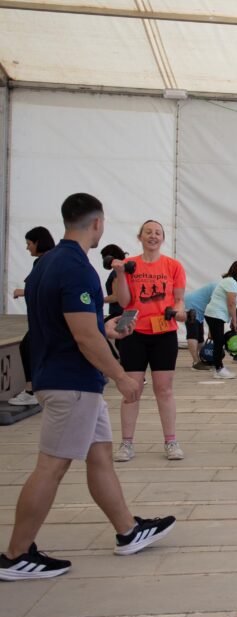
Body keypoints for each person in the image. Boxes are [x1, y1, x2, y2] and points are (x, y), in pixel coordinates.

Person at [0, 193, 175, 581]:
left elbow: (72, 324)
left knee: (100, 456)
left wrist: (106, 328)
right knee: (51, 466)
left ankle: (128, 530)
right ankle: (16, 555)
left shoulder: (46, 264)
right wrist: (121, 376)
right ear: (97, 223)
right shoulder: (77, 267)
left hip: (68, 378)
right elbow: (84, 336)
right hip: (72, 383)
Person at [111, 220, 186, 462]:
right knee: (131, 390)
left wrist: (179, 312)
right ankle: (126, 443)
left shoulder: (173, 266)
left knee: (164, 389)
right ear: (140, 236)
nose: (153, 236)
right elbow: (124, 302)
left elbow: (179, 300)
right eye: (148, 232)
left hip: (164, 334)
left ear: (162, 238)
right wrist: (120, 273)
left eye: (157, 233)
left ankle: (171, 442)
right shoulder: (128, 265)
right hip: (134, 334)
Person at [9, 226, 56, 407]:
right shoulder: (51, 259)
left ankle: (31, 390)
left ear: (38, 242)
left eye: (29, 243)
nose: (27, 247)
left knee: (27, 347)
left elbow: (43, 287)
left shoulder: (44, 262)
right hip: (46, 319)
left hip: (44, 320)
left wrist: (23, 291)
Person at [204, 261, 237, 380]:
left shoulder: (230, 281)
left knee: (219, 341)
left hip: (215, 315)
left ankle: (218, 366)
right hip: (215, 315)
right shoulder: (231, 282)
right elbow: (231, 303)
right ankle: (219, 369)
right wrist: (234, 320)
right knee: (219, 342)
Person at [184, 282, 216, 369]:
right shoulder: (218, 288)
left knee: (200, 336)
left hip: (198, 307)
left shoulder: (220, 286)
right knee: (193, 334)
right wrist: (211, 330)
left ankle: (202, 359)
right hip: (191, 305)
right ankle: (196, 362)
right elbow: (212, 311)